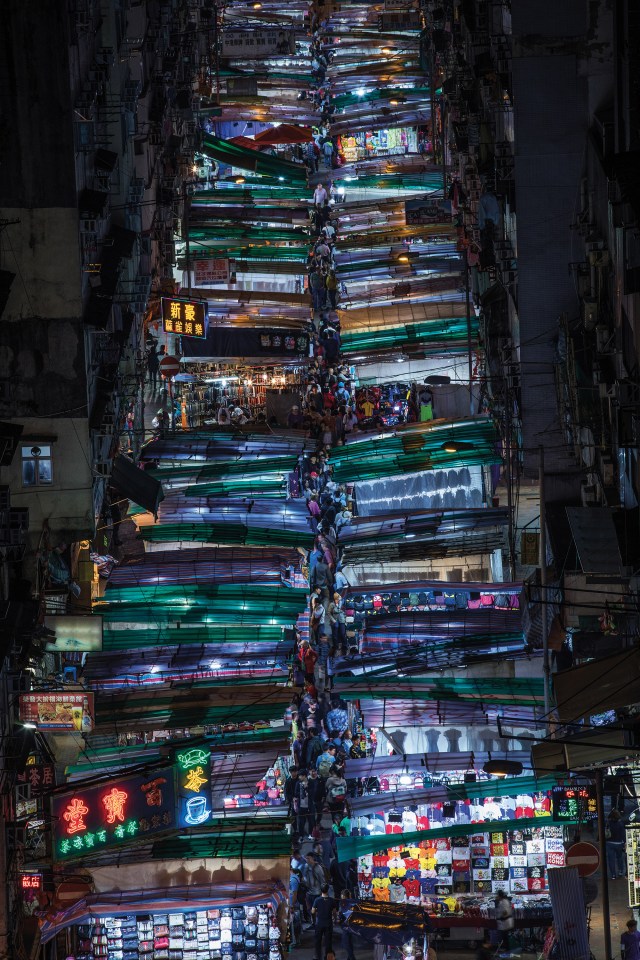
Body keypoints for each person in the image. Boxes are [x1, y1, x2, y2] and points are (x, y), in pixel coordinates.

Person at [312, 884, 336, 960]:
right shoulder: (332, 900)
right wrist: (334, 919)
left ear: (321, 890)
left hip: (319, 923)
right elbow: (334, 912)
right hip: (328, 923)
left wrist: (315, 911)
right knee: (328, 942)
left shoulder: (317, 900)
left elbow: (313, 911)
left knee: (318, 941)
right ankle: (328, 958)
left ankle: (318, 957)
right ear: (328, 890)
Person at [606, 808, 626, 879]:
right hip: (619, 843)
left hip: (609, 843)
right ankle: (620, 871)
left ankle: (613, 875)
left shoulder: (608, 823)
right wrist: (625, 842)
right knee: (619, 858)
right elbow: (623, 834)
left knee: (611, 860)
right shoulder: (620, 824)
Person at [338, 890, 355, 960]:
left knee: (346, 943)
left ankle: (352, 958)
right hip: (352, 925)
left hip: (346, 925)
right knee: (349, 943)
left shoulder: (343, 903)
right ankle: (349, 958)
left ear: (343, 896)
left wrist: (338, 919)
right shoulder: (352, 902)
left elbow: (341, 914)